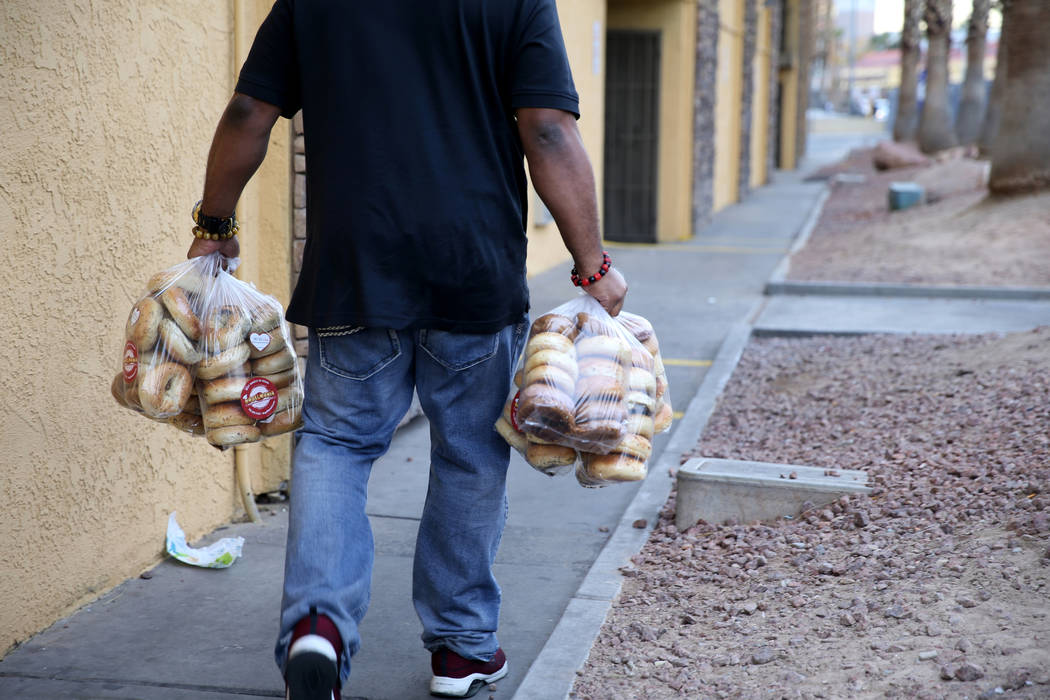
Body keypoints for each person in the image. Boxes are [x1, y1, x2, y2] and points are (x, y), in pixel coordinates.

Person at [187, 1, 626, 698]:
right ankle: (461, 648)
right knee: (469, 453)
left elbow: (250, 112)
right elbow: (547, 128)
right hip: (473, 269)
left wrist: (214, 224)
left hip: (354, 271)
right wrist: (592, 264)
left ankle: (317, 627)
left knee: (336, 444)